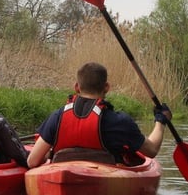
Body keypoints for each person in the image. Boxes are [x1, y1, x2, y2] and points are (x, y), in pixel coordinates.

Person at [27, 62, 171, 168]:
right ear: (106, 87)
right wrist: (160, 121)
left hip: (61, 172)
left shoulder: (57, 116)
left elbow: (32, 161)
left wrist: (48, 155)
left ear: (77, 87)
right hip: (105, 179)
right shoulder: (120, 121)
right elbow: (151, 150)